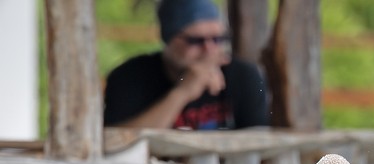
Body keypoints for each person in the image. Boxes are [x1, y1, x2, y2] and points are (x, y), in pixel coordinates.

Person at [103, 0, 269, 130]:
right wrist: (182, 92)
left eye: (218, 39)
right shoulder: (130, 77)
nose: (209, 49)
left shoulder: (244, 75)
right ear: (168, 40)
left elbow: (260, 141)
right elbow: (117, 141)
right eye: (196, 41)